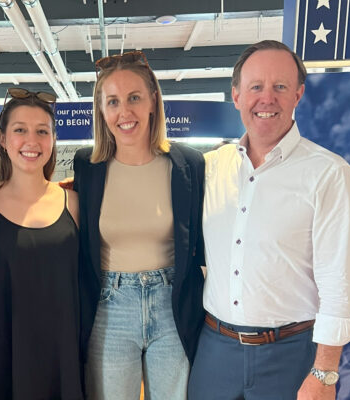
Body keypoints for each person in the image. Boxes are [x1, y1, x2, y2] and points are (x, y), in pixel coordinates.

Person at [188, 40, 350, 400]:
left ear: (298, 95)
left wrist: (325, 373)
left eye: (280, 87)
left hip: (290, 353)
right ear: (236, 95)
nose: (266, 98)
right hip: (214, 351)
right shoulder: (210, 168)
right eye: (256, 87)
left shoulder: (329, 174)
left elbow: (339, 282)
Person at [73, 51, 206, 399]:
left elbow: (203, 244)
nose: (124, 112)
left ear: (153, 101)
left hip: (172, 304)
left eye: (134, 98)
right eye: (113, 101)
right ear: (101, 110)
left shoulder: (187, 164)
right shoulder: (88, 165)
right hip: (110, 305)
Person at [0, 88, 83, 399]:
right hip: (6, 354)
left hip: (64, 354)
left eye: (42, 131)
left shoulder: (73, 202)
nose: (31, 141)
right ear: (2, 138)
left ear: (53, 139)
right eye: (20, 130)